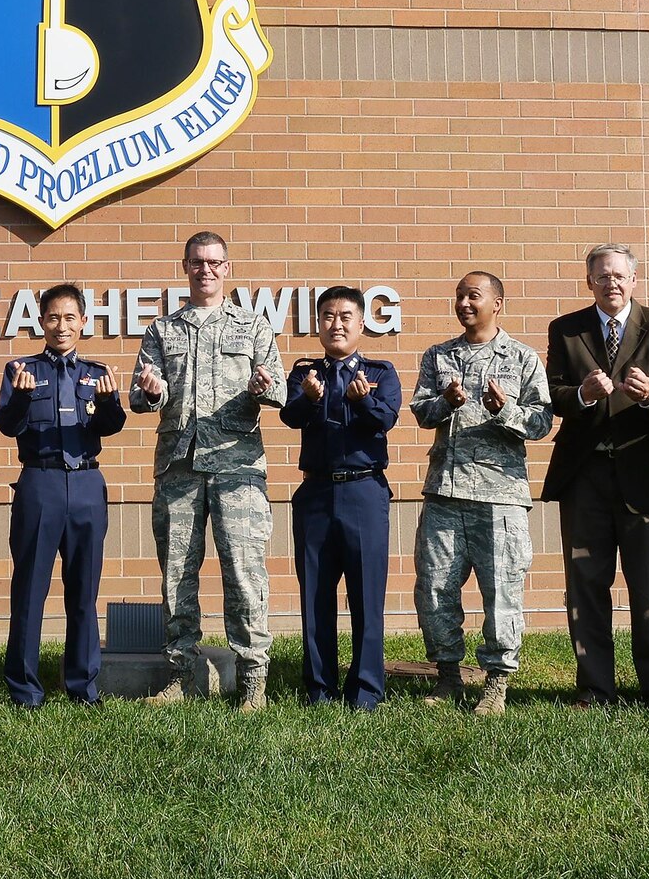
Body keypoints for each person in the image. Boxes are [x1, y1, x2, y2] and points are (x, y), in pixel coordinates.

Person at [131, 231, 287, 711]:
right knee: (177, 575)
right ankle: (182, 674)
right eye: (198, 262)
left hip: (238, 468)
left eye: (215, 262)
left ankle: (253, 680)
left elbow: (280, 390)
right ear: (185, 267)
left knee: (244, 573)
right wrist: (152, 391)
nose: (206, 270)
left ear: (227, 268)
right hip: (179, 467)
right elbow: (140, 396)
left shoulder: (253, 326)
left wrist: (263, 387)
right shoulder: (162, 331)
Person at [542, 244, 649, 711]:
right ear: (590, 282)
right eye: (602, 276)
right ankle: (595, 689)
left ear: (634, 280)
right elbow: (552, 393)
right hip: (584, 476)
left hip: (647, 474)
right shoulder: (566, 329)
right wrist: (582, 395)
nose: (612, 283)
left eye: (619, 275)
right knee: (585, 585)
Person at [407, 271, 551, 715]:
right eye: (459, 296)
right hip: (445, 494)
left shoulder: (522, 357)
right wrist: (445, 402)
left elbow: (541, 423)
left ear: (497, 303)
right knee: (435, 588)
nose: (464, 303)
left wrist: (504, 409)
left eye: (474, 296)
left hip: (500, 497)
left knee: (502, 592)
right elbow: (421, 412)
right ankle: (448, 676)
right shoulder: (439, 356)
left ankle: (497, 683)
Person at [0, 283, 126, 709]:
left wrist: (108, 403)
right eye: (53, 317)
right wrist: (23, 397)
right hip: (40, 482)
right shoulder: (21, 370)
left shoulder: (97, 373)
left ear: (83, 322)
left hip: (86, 484)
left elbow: (111, 425)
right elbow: (7, 424)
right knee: (29, 590)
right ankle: (25, 690)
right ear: (41, 322)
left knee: (84, 591)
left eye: (70, 317)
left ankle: (83, 687)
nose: (61, 325)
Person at [281, 285, 402, 710]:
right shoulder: (305, 374)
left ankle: (366, 691)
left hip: (364, 490)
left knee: (367, 595)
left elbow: (386, 418)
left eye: (345, 316)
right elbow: (289, 414)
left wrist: (363, 401)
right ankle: (319, 689)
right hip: (315, 492)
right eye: (328, 316)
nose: (337, 324)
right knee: (315, 593)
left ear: (361, 323)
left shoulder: (380, 372)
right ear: (318, 324)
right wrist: (310, 399)